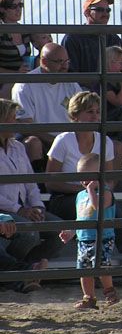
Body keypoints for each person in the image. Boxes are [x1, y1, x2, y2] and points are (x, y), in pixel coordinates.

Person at [46, 91, 122, 260]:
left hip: (95, 195)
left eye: (97, 111)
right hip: (64, 198)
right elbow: (50, 182)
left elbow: (110, 179)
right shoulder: (63, 140)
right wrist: (84, 191)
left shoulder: (104, 141)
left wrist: (101, 191)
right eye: (89, 112)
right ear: (75, 115)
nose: (95, 116)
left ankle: (101, 257)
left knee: (106, 200)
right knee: (98, 204)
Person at [0, 98, 64, 288]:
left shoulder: (18, 147)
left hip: (21, 207)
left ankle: (25, 269)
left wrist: (37, 206)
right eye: (11, 119)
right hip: (8, 209)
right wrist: (19, 210)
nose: (16, 123)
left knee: (61, 229)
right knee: (28, 233)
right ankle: (22, 272)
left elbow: (29, 181)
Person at [59, 153, 120, 310]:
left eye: (88, 175)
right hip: (84, 237)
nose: (84, 180)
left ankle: (109, 291)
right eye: (81, 175)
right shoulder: (80, 195)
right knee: (83, 269)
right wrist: (72, 232)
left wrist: (92, 189)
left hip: (102, 237)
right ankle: (89, 297)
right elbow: (82, 217)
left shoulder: (106, 192)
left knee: (102, 266)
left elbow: (97, 206)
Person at [12, 42, 83, 173]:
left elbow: (84, 115)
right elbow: (26, 126)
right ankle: (39, 187)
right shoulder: (24, 85)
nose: (65, 67)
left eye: (67, 62)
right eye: (59, 62)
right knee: (33, 143)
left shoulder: (71, 83)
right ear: (43, 61)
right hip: (42, 141)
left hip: (67, 140)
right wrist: (58, 141)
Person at [61, 0, 122, 88]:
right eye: (100, 10)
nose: (105, 14)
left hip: (112, 93)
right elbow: (71, 74)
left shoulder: (114, 38)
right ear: (87, 13)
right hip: (84, 94)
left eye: (108, 10)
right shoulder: (72, 39)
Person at [0, 0, 32, 99]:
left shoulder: (24, 30)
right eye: (13, 6)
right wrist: (15, 73)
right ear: (2, 9)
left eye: (20, 5)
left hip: (22, 80)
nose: (18, 9)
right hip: (4, 82)